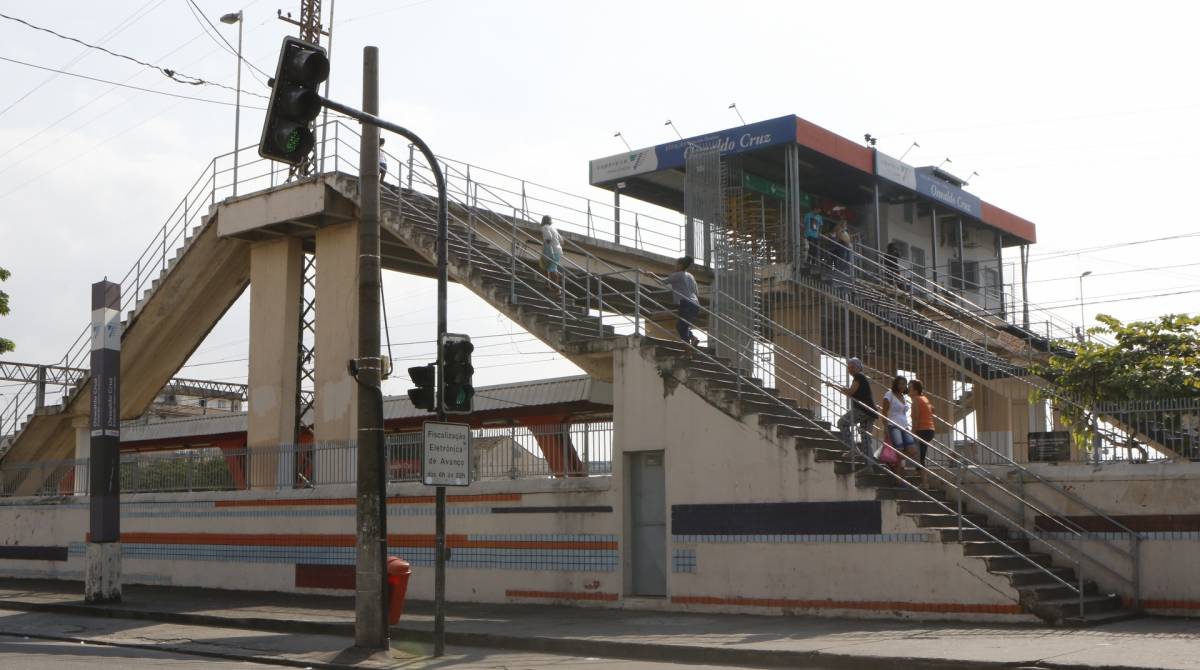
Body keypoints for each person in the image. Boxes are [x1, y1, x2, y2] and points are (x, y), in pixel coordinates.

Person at [836, 358, 876, 457]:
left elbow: (850, 391)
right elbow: (851, 392)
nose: (850, 370)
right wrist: (842, 389)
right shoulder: (862, 378)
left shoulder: (858, 376)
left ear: (859, 368)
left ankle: (853, 449)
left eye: (852, 367)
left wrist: (836, 386)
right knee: (865, 439)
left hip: (862, 410)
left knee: (842, 423)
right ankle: (869, 463)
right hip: (870, 411)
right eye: (849, 368)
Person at [881, 376, 917, 474]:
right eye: (900, 383)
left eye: (904, 384)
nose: (902, 386)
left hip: (904, 426)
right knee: (899, 450)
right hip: (893, 426)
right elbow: (884, 412)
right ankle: (898, 474)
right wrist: (885, 427)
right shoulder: (889, 394)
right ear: (896, 384)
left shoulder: (903, 396)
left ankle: (892, 462)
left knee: (912, 450)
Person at [665, 256, 701, 347]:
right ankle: (692, 338)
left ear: (680, 265)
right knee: (683, 325)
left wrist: (651, 275)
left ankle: (687, 345)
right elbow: (696, 292)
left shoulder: (678, 274)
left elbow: (663, 282)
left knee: (681, 326)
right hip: (695, 304)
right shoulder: (691, 276)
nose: (675, 266)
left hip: (685, 303)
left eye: (676, 264)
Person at [909, 379, 936, 487]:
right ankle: (922, 479)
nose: (908, 390)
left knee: (918, 458)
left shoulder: (916, 400)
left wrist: (912, 433)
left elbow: (915, 419)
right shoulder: (924, 398)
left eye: (910, 388)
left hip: (922, 430)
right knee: (920, 456)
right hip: (930, 430)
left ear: (915, 391)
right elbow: (933, 409)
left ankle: (925, 483)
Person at [540, 215, 563, 294]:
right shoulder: (553, 228)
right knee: (546, 267)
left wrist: (548, 248)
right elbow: (562, 240)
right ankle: (547, 284)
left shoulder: (545, 227)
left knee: (552, 269)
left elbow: (548, 238)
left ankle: (557, 289)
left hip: (551, 251)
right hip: (557, 250)